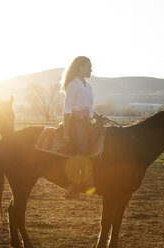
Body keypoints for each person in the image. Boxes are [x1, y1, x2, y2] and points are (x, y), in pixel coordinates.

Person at [60, 56, 103, 198]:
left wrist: (98, 116)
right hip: (75, 123)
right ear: (79, 68)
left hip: (86, 122)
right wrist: (66, 133)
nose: (91, 69)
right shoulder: (73, 85)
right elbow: (67, 110)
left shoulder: (88, 86)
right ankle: (74, 185)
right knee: (83, 148)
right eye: (88, 66)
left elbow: (89, 108)